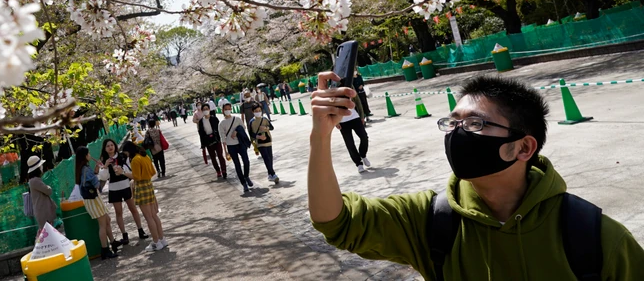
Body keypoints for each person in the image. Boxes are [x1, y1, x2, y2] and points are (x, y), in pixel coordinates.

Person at [308, 73, 644, 279]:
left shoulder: (593, 235)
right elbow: (337, 222)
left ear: (523, 148)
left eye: (475, 124)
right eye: (453, 122)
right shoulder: (431, 221)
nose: (457, 133)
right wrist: (320, 138)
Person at [100, 139, 149, 244]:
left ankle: (140, 230)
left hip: (126, 185)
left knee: (133, 209)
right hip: (113, 188)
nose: (110, 147)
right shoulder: (105, 159)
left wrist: (122, 171)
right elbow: (104, 177)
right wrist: (105, 166)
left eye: (112, 145)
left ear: (115, 146)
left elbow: (130, 170)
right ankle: (124, 235)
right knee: (119, 212)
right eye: (107, 146)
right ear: (105, 149)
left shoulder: (122, 156)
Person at [122, 140, 167, 253]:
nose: (126, 155)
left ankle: (156, 242)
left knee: (148, 217)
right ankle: (162, 239)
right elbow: (152, 171)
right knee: (154, 215)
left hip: (141, 187)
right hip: (149, 185)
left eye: (126, 153)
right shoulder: (144, 156)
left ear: (129, 151)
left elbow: (136, 176)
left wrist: (123, 173)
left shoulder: (135, 160)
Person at [74, 146, 118, 260]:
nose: (90, 155)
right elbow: (98, 185)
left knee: (107, 220)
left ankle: (113, 242)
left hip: (90, 199)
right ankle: (105, 250)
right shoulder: (86, 169)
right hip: (93, 199)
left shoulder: (82, 168)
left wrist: (97, 170)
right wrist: (104, 170)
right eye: (88, 153)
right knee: (102, 225)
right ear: (85, 156)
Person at [218, 102, 253, 193]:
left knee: (246, 161)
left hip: (240, 143)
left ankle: (246, 176)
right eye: (225, 109)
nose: (227, 110)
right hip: (231, 146)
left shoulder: (237, 119)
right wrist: (225, 151)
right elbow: (222, 138)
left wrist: (237, 131)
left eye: (229, 109)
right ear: (222, 110)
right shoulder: (221, 123)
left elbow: (243, 128)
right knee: (237, 165)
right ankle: (243, 183)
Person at [336, 83, 371, 174]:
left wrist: (362, 116)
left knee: (364, 137)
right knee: (350, 143)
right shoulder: (332, 88)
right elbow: (331, 106)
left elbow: (357, 101)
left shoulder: (349, 84)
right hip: (342, 121)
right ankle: (358, 164)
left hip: (354, 117)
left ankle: (363, 155)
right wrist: (336, 122)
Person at [193, 102, 227, 179]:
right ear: (202, 111)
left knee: (220, 156)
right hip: (208, 141)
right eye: (204, 109)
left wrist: (221, 138)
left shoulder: (214, 118)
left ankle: (224, 170)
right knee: (213, 157)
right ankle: (218, 171)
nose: (206, 110)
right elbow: (201, 133)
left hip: (216, 140)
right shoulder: (201, 121)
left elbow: (219, 129)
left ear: (209, 109)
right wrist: (203, 145)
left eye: (207, 109)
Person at [26, 155, 57, 235]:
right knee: (47, 234)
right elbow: (48, 191)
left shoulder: (34, 181)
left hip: (42, 211)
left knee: (47, 233)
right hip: (43, 212)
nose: (42, 167)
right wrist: (49, 187)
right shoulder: (35, 181)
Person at [250, 106, 279, 184]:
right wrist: (258, 137)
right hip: (259, 142)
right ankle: (273, 174)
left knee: (270, 157)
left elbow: (272, 127)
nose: (258, 112)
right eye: (256, 111)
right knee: (266, 158)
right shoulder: (251, 122)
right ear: (253, 112)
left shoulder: (265, 119)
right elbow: (251, 133)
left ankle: (270, 174)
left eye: (259, 110)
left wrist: (265, 128)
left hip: (268, 140)